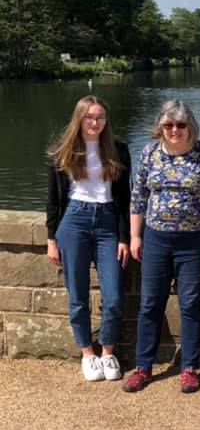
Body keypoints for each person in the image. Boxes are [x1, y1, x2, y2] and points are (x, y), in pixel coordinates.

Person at [123, 100, 200, 394]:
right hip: (156, 238)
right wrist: (135, 236)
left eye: (180, 125)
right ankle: (143, 367)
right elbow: (138, 197)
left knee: (191, 304)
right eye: (168, 125)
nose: (174, 130)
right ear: (160, 126)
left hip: (195, 241)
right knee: (149, 304)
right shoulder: (149, 152)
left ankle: (189, 368)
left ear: (190, 126)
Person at [45, 96, 131, 382]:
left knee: (115, 296)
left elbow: (124, 198)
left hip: (108, 222)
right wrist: (51, 238)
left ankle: (107, 352)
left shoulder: (118, 149)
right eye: (90, 117)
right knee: (78, 296)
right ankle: (87, 354)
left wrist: (124, 236)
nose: (95, 123)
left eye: (101, 117)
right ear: (79, 119)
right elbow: (54, 201)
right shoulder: (62, 152)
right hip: (74, 221)